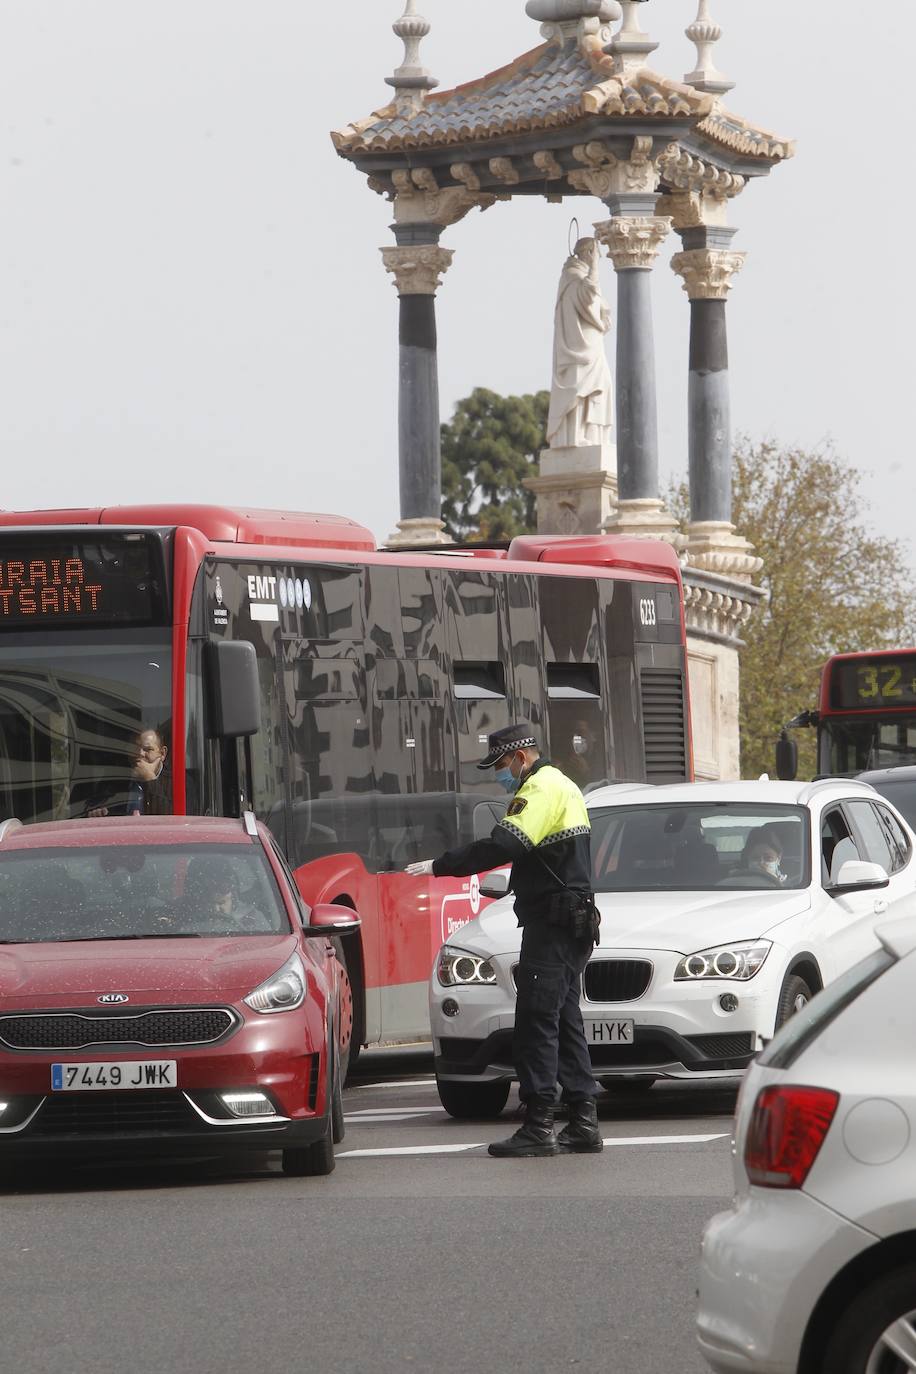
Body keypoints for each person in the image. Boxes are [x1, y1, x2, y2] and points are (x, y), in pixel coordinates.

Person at [406, 723, 603, 1158]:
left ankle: (538, 1125)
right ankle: (583, 1120)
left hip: (552, 925)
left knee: (535, 1023)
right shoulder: (564, 785)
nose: (500, 773)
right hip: (571, 923)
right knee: (565, 1022)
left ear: (521, 757)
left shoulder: (540, 788)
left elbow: (503, 845)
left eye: (501, 765)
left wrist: (442, 865)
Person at [546, 236, 614, 451]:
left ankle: (593, 435)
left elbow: (595, 304)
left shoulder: (578, 277)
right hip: (579, 345)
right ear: (588, 253)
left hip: (591, 342)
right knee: (580, 387)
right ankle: (575, 436)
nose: (599, 258)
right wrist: (594, 268)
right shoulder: (573, 276)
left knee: (601, 386)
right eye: (596, 254)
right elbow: (587, 295)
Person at [86, 726, 171, 818]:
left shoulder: (179, 782)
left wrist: (150, 779)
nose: (140, 754)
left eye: (148, 749)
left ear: (162, 754)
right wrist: (97, 812)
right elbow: (92, 806)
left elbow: (172, 819)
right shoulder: (117, 779)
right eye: (135, 748)